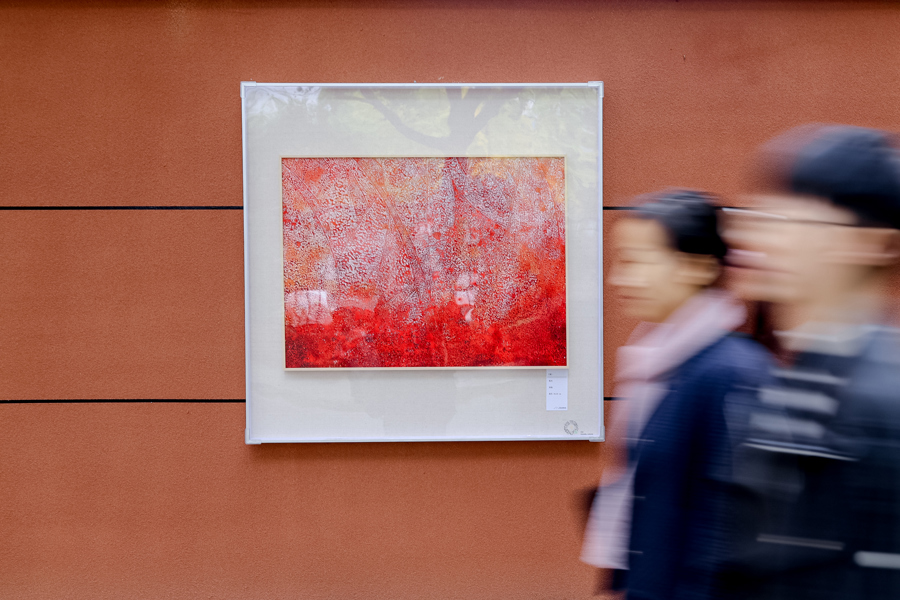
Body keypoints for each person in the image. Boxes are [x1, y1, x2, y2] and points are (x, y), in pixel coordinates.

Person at [724, 124, 900, 600]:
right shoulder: (796, 372)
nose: (759, 236)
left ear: (873, 243)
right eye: (762, 215)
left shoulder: (882, 398)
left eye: (793, 220)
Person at [581, 190, 772, 600]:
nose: (617, 278)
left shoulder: (731, 373)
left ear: (697, 266)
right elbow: (634, 495)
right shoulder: (651, 364)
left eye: (634, 261)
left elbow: (726, 530)